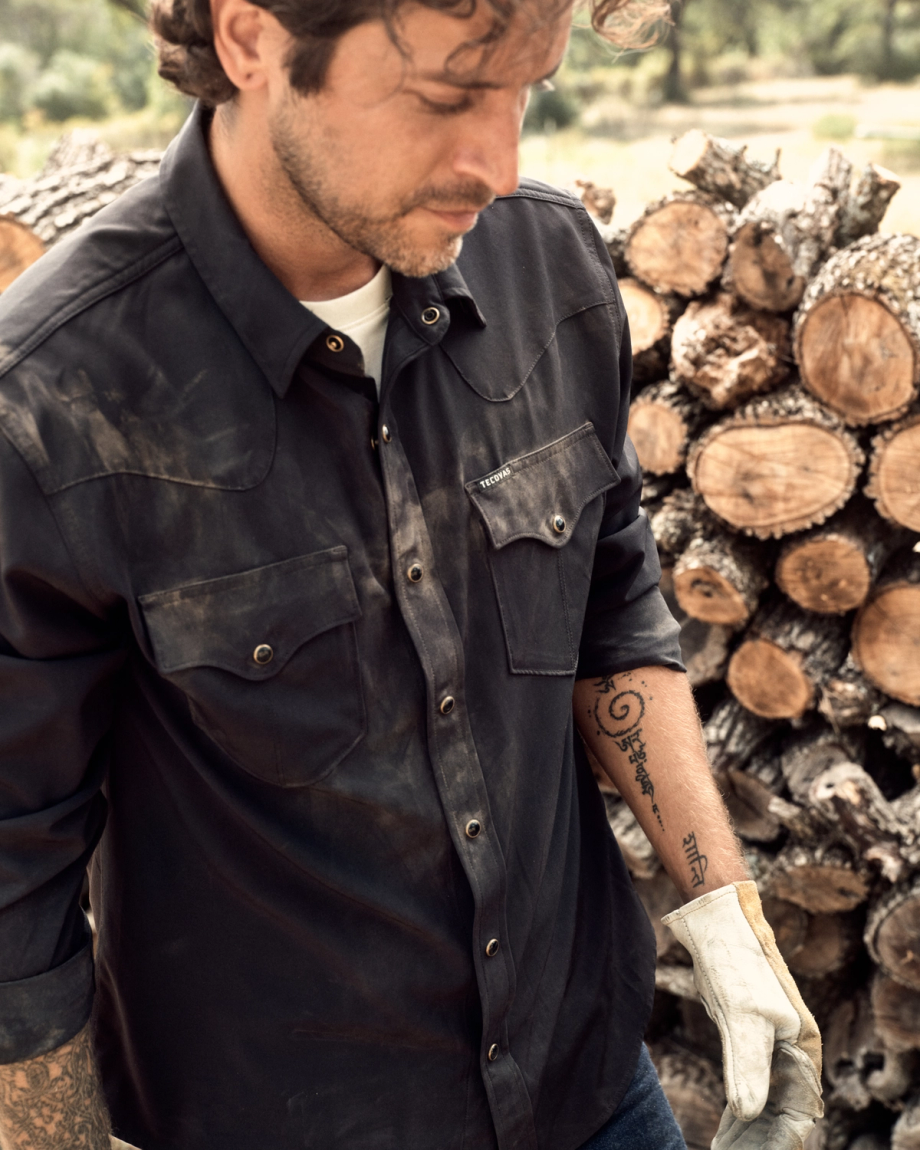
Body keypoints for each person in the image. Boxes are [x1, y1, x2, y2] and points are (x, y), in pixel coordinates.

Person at [0, 1, 823, 1148]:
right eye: (446, 96)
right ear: (250, 40)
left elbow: (608, 603)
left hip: (588, 1089)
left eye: (525, 90)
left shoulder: (550, 266)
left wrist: (722, 914)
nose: (499, 163)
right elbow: (12, 879)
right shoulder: (50, 396)